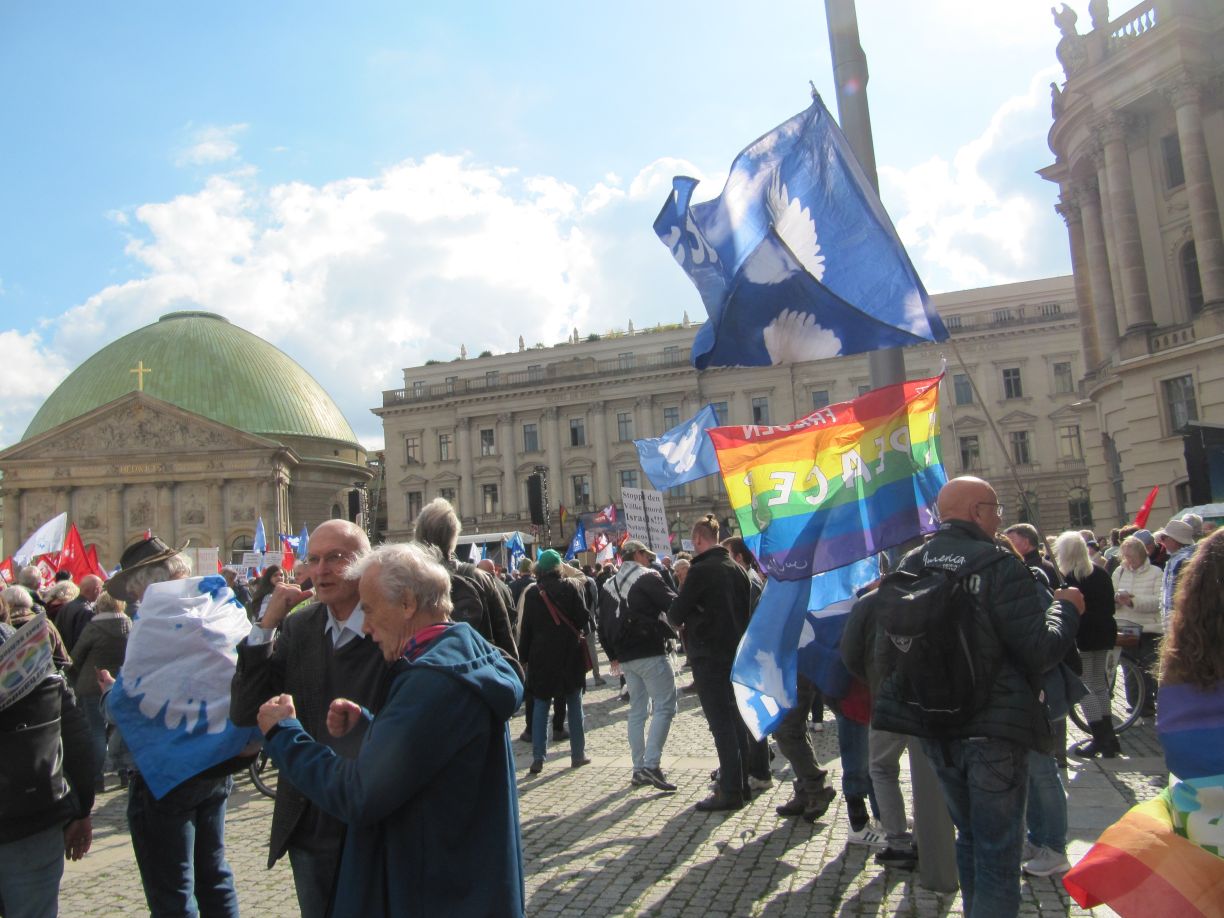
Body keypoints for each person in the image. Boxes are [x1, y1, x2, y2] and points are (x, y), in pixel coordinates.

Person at [256, 541, 524, 917]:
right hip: (460, 880)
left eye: (368, 609)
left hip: (434, 891)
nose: (365, 626)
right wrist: (371, 727)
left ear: (408, 604)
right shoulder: (461, 651)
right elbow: (430, 752)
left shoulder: (430, 680)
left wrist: (284, 735)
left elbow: (359, 794)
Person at [866, 477, 1083, 918]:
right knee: (999, 852)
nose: (1001, 516)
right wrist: (1066, 610)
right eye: (997, 508)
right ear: (978, 512)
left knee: (967, 835)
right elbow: (1040, 649)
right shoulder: (998, 563)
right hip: (993, 730)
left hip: (934, 726)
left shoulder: (912, 562)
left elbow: (879, 652)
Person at [230, 520, 389, 918]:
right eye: (313, 559)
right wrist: (265, 627)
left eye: (336, 558)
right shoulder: (300, 625)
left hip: (374, 819)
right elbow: (245, 708)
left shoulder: (392, 626)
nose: (320, 570)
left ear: (365, 564)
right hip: (310, 822)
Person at [102, 535, 244, 918]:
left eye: (134, 591)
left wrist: (107, 693)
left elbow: (127, 702)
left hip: (168, 772)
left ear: (145, 584)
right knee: (214, 874)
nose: (133, 600)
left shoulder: (154, 621)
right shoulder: (214, 603)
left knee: (173, 890)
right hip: (216, 760)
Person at [0, 615, 95, 918]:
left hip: (29, 820)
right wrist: (80, 808)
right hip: (32, 816)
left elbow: (76, 737)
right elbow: (77, 737)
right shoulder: (34, 660)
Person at [668, 514, 754, 811]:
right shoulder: (738, 569)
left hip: (709, 655)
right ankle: (742, 783)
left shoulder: (700, 570)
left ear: (698, 540)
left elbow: (676, 614)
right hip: (737, 653)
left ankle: (730, 790)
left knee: (721, 725)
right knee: (736, 721)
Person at [599, 539, 679, 791]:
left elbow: (603, 624)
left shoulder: (608, 584)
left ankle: (638, 768)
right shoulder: (647, 577)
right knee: (666, 705)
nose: (650, 559)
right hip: (649, 649)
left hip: (625, 656)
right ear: (637, 554)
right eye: (647, 555)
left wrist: (613, 655)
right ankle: (651, 765)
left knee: (637, 711)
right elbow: (673, 605)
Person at [518, 550, 591, 774]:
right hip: (569, 654)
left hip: (541, 657)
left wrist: (524, 659)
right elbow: (583, 618)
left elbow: (526, 629)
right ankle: (577, 755)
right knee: (574, 704)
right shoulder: (570, 587)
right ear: (559, 567)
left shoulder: (532, 593)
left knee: (540, 705)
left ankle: (538, 758)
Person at [1053, 531, 1118, 759]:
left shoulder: (1069, 578)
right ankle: (1109, 738)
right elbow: (1110, 606)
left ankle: (1101, 737)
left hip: (1083, 636)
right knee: (1099, 684)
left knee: (1087, 688)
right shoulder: (1100, 573)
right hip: (1103, 633)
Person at [67, 591, 131, 792]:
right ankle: (125, 772)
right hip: (123, 683)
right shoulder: (129, 624)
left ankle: (97, 779)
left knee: (96, 731)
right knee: (122, 729)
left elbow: (75, 656)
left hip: (93, 683)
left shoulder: (94, 627)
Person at [1111, 534, 1162, 717]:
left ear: (1141, 554)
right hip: (1126, 627)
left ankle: (1151, 703)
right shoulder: (1119, 572)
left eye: (1132, 556)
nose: (1129, 560)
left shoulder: (1156, 572)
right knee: (1130, 670)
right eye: (1126, 556)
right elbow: (1110, 595)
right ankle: (1137, 706)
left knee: (1150, 668)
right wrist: (1116, 599)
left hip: (1149, 628)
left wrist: (1133, 601)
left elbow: (1158, 601)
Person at [2, 585, 72, 669]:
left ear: (7, 605)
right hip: (46, 676)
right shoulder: (45, 623)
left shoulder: (4, 628)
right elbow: (64, 659)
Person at [1157, 517, 1197, 631]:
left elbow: (1179, 596)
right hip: (1180, 624)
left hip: (1183, 626)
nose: (1162, 541)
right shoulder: (1180, 559)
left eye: (1164, 537)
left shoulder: (1182, 561)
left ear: (1175, 540)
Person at [56, 574, 104, 654]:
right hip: (72, 658)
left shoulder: (67, 605)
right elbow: (82, 641)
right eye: (100, 589)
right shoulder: (87, 612)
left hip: (61, 655)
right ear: (96, 589)